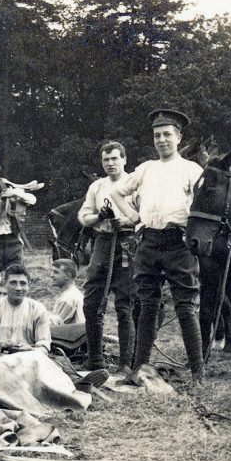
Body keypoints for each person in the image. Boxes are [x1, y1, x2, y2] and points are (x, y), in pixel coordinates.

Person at [107, 109, 204, 382]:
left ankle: (198, 372)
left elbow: (203, 205)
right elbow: (117, 191)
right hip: (148, 243)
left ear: (178, 137)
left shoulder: (192, 169)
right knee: (147, 305)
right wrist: (134, 217)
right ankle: (140, 369)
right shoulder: (146, 169)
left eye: (167, 135)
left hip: (179, 244)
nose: (162, 140)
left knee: (185, 307)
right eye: (157, 135)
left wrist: (192, 231)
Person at [78, 140, 139, 374]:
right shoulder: (97, 186)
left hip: (128, 243)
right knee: (91, 301)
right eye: (106, 159)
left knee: (124, 304)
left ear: (124, 159)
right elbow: (84, 216)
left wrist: (127, 221)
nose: (110, 163)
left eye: (115, 158)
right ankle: (95, 360)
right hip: (102, 243)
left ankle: (126, 364)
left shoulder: (135, 183)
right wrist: (99, 217)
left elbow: (145, 215)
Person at [0, 263, 52, 358]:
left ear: (29, 285)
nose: (18, 288)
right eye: (13, 283)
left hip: (29, 360)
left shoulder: (38, 310)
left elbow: (44, 349)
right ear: (5, 284)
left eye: (23, 283)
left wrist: (29, 351)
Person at [0, 165, 36, 271]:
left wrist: (14, 192)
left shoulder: (13, 192)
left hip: (14, 241)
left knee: (16, 272)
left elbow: (33, 200)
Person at [48, 259, 84, 326]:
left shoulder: (68, 298)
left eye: (56, 272)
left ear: (68, 275)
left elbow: (54, 325)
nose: (51, 275)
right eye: (51, 271)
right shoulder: (73, 293)